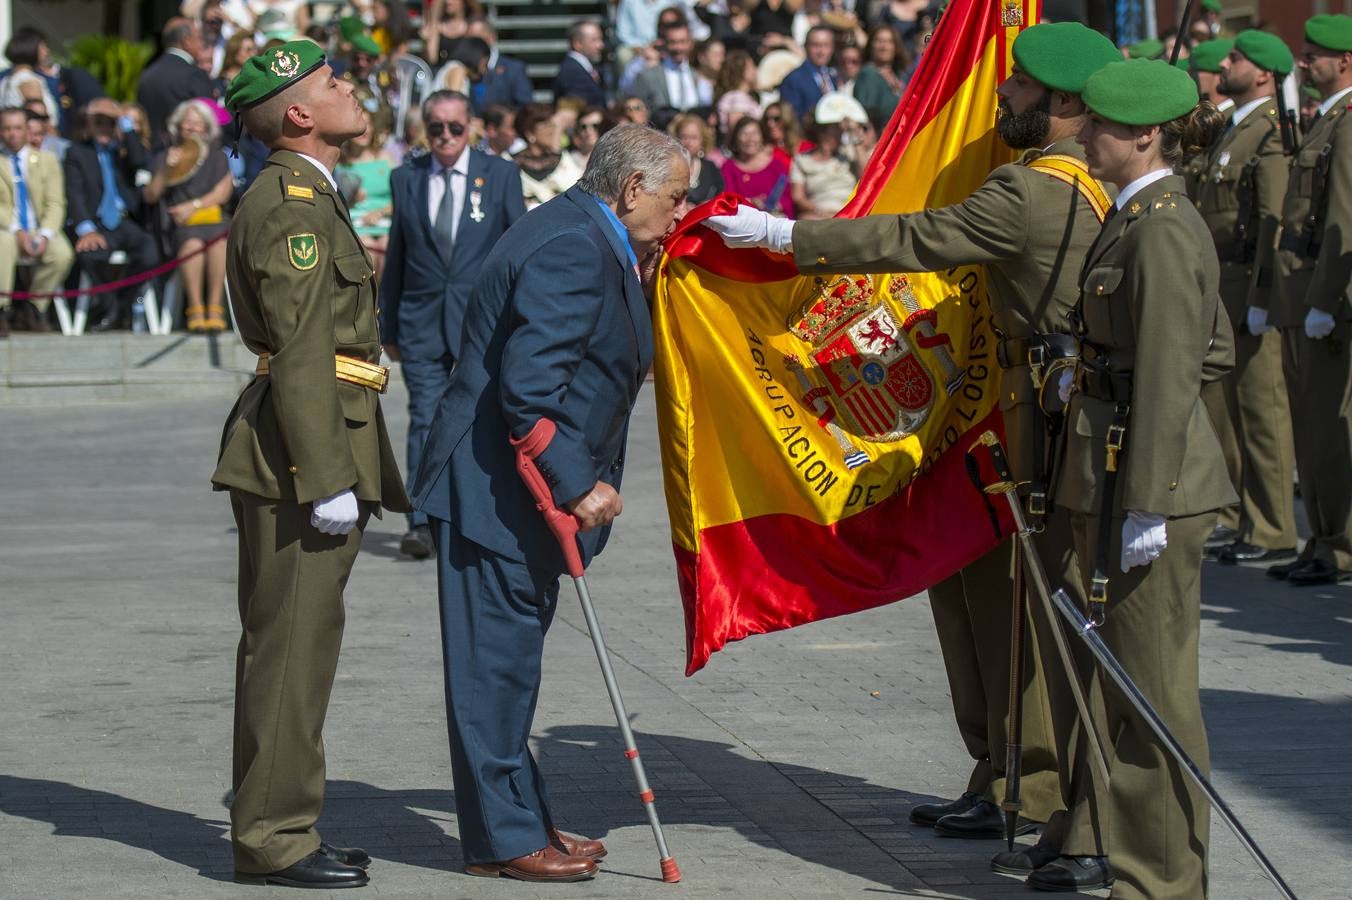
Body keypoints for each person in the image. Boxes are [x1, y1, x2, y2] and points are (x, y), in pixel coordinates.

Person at [704, 20, 1122, 881]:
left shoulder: (1037, 191)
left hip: (1029, 431)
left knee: (1023, 614)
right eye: (1001, 80)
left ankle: (1036, 787)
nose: (999, 97)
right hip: (1003, 416)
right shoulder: (1055, 183)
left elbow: (912, 238)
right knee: (973, 597)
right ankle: (1003, 772)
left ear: (1064, 103)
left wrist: (783, 241)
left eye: (1018, 88)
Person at [406, 122, 689, 884]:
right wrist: (576, 481)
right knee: (493, 672)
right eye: (674, 197)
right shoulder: (571, 244)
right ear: (632, 189)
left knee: (510, 670)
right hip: (495, 493)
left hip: (507, 497)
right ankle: (503, 840)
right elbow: (530, 388)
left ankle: (520, 817)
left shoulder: (581, 229)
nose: (677, 212)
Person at [213, 40, 409, 889]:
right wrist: (324, 475)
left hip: (318, 439)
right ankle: (274, 839)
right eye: (330, 83)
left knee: (300, 645)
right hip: (301, 455)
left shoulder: (309, 195)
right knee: (290, 649)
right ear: (298, 114)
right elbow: (298, 352)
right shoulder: (290, 203)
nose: (347, 89)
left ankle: (283, 822)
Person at [1050, 57, 1232, 897]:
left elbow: (1172, 368)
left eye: (1099, 125)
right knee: (1131, 687)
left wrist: (1149, 497)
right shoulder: (1137, 217)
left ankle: (1162, 883)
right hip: (1122, 470)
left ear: (1145, 135)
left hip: (1146, 487)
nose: (1083, 133)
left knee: (1148, 698)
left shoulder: (1160, 227)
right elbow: (1211, 347)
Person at [380, 90, 525, 560]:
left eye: (454, 127)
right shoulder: (406, 178)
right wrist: (388, 327)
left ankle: (472, 517)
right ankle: (420, 519)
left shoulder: (500, 175)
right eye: (436, 127)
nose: (445, 136)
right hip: (420, 321)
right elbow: (398, 254)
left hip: (480, 323)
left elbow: (514, 253)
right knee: (423, 416)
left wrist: (519, 319)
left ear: (472, 127)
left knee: (477, 419)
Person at [1193, 31, 1298, 566]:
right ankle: (1243, 519)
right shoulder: (1235, 127)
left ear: (1262, 73)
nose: (1224, 63)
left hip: (1247, 282)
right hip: (1224, 285)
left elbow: (1271, 221)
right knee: (1231, 409)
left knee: (1262, 410)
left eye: (1237, 57)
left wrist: (1262, 295)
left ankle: (1274, 528)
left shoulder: (1269, 131)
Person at [1254, 15, 1352, 586]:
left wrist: (1323, 299)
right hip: (1298, 297)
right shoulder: (1326, 120)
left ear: (1343, 61)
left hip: (1323, 301)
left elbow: (1341, 213)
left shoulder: (1345, 123)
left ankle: (1339, 544)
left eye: (1313, 55)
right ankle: (1320, 537)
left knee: (1326, 429)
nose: (1304, 62)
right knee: (1309, 430)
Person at [63, 97, 159, 332]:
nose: (104, 128)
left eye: (110, 123)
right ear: (89, 125)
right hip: (96, 222)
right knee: (92, 255)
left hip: (123, 220)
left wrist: (124, 124)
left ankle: (120, 306)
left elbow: (140, 160)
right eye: (99, 123)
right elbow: (74, 193)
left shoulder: (123, 153)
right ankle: (110, 307)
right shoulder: (77, 152)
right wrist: (86, 229)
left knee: (149, 253)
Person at [143, 99, 233, 333]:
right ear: (178, 126)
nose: (192, 127)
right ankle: (194, 309)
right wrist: (165, 170)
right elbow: (150, 196)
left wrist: (192, 206)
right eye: (187, 122)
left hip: (212, 220)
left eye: (198, 123)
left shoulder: (218, 157)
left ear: (207, 127)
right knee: (192, 244)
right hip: (181, 227)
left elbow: (222, 193)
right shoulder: (165, 157)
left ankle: (214, 308)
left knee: (218, 245)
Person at [0, 106, 72, 337]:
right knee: (4, 244)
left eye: (18, 128)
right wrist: (17, 231)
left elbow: (55, 203)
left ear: (27, 131)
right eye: (7, 128)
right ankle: (2, 309)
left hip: (39, 227)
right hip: (7, 228)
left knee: (62, 253)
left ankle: (33, 308)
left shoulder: (46, 160)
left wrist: (43, 235)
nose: (12, 134)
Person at [137, 17, 219, 150]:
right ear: (186, 41)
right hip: (188, 154)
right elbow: (212, 117)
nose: (200, 43)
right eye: (198, 38)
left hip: (153, 155)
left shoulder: (147, 75)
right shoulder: (195, 75)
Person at [336, 109, 395, 280]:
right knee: (368, 248)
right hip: (355, 223)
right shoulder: (339, 162)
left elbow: (400, 197)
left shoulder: (386, 158)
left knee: (386, 244)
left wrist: (380, 212)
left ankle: (382, 302)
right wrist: (351, 198)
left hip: (384, 220)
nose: (366, 129)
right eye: (360, 123)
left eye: (369, 124)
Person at [789, 94, 868, 219]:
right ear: (821, 131)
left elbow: (867, 175)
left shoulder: (849, 153)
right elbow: (798, 198)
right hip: (817, 215)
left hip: (849, 215)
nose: (840, 132)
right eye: (835, 128)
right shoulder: (801, 160)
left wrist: (854, 134)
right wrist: (822, 213)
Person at [514, 102, 584, 209]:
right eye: (547, 125)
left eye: (553, 125)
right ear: (529, 133)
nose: (553, 131)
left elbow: (580, 191)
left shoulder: (564, 160)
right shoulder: (510, 164)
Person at [721, 116, 794, 217]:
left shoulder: (776, 166)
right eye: (745, 134)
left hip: (775, 220)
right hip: (743, 222)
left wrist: (776, 205)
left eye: (754, 133)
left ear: (762, 136)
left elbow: (788, 199)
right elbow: (728, 200)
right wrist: (750, 202)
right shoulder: (728, 168)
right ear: (736, 138)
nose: (750, 139)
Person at [632, 20, 702, 114]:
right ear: (664, 43)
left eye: (682, 42)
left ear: (690, 43)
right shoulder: (647, 76)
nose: (678, 48)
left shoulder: (697, 75)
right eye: (673, 42)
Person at [466, 17, 533, 112]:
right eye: (470, 40)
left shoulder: (514, 69)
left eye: (478, 39)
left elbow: (525, 108)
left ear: (491, 37)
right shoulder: (462, 68)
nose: (473, 45)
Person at [779, 26, 839, 120]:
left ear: (832, 48)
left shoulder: (834, 76)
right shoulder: (793, 79)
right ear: (806, 46)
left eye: (826, 45)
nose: (821, 51)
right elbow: (791, 119)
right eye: (816, 45)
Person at [853, 23, 909, 122]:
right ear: (871, 45)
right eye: (879, 41)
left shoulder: (899, 75)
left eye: (889, 42)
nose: (884, 47)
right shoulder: (868, 74)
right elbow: (867, 114)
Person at [0, 30, 59, 125]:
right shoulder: (28, 80)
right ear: (30, 47)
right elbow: (40, 117)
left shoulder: (7, 79)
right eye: (43, 46)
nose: (47, 51)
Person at [669, 112, 723, 204]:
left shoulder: (710, 168)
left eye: (694, 138)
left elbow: (721, 197)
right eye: (684, 137)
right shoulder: (669, 167)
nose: (689, 142)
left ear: (703, 140)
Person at [553, 20, 608, 108]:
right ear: (577, 44)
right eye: (594, 40)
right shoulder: (571, 72)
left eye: (600, 39)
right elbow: (580, 109)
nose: (601, 45)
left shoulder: (583, 68)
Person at [569, 105, 614, 170]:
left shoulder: (614, 159)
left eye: (595, 126)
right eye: (583, 127)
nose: (588, 131)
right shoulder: (570, 160)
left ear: (605, 128)